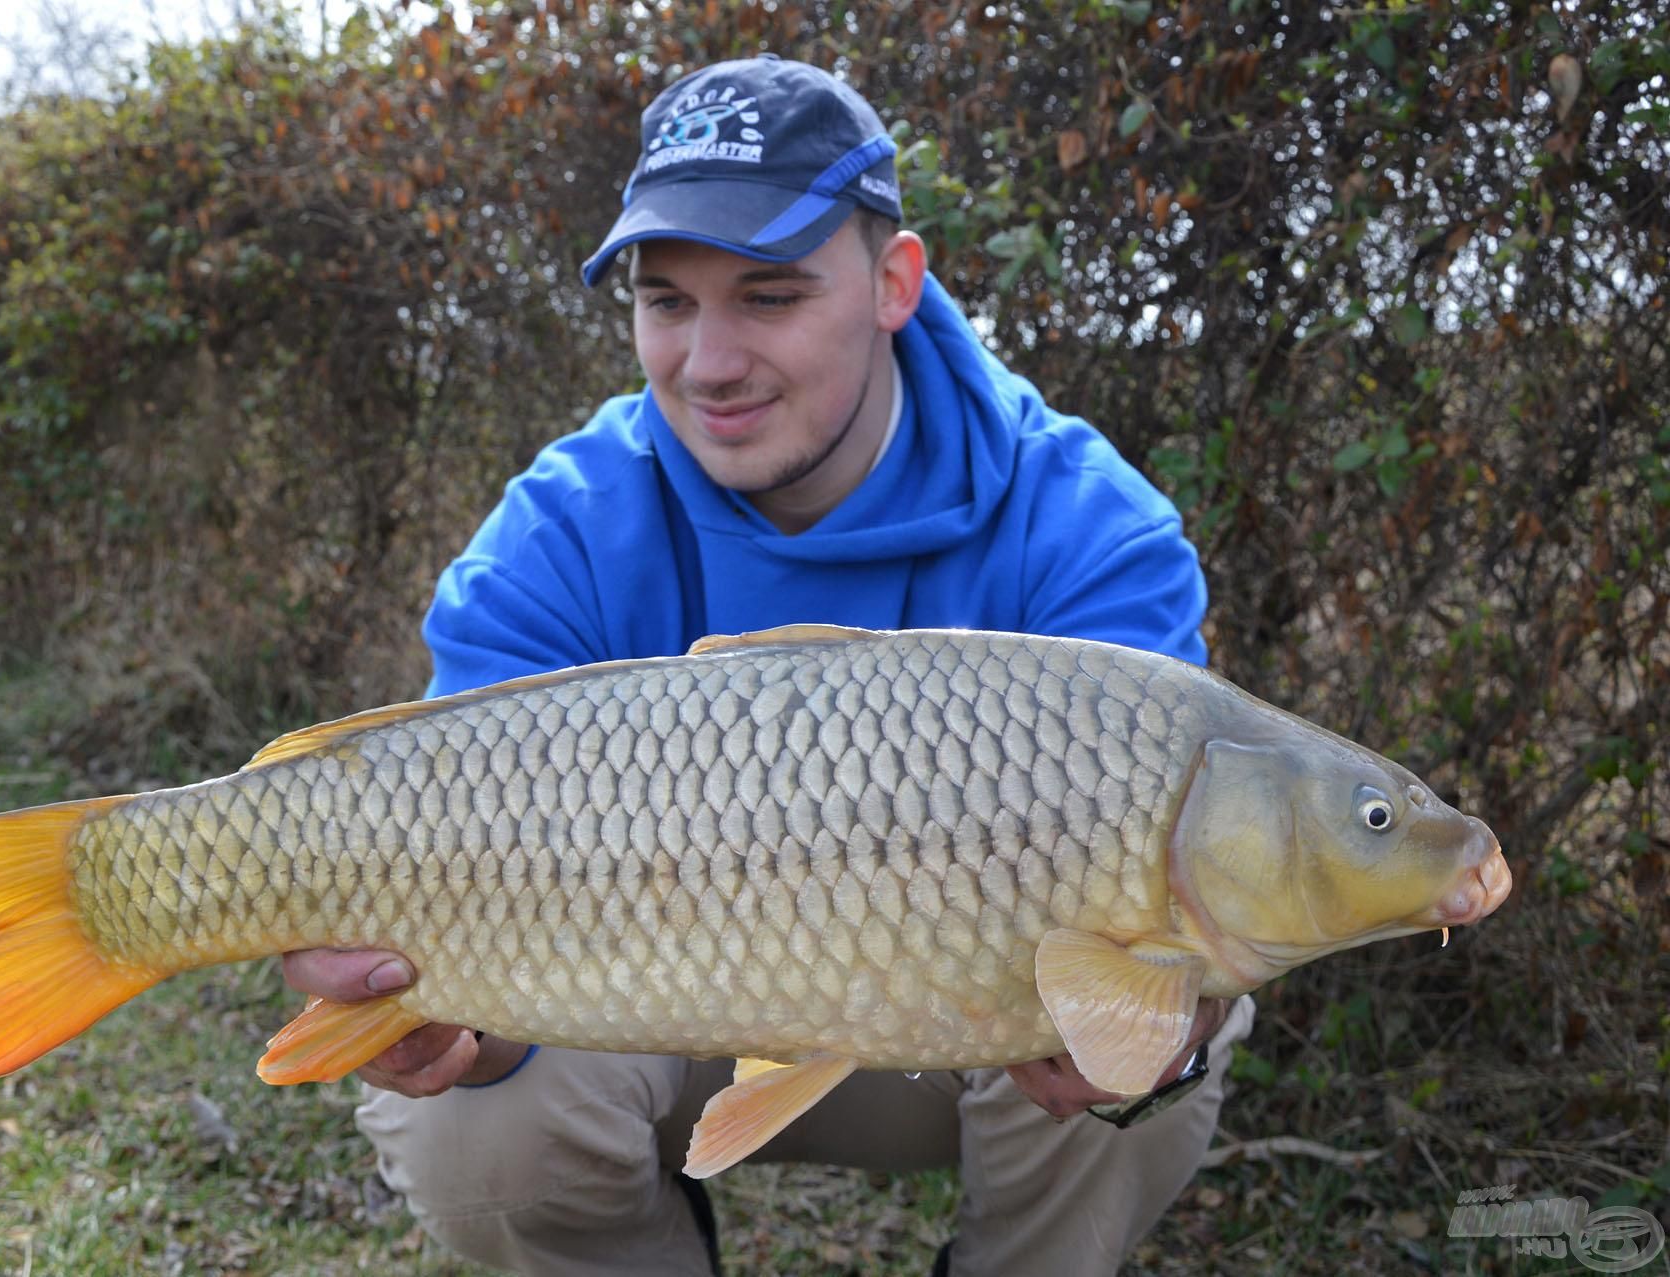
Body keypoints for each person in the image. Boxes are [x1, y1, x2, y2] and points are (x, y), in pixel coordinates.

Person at [282, 54, 1255, 1276]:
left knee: (1164, 1003)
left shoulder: (1087, 530)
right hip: (646, 1011)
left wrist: (1150, 1018)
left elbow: (1174, 871)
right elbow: (444, 863)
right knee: (478, 1126)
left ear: (895, 282)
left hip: (961, 1039)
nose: (708, 362)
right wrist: (441, 1018)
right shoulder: (562, 526)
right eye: (667, 301)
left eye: (771, 295)